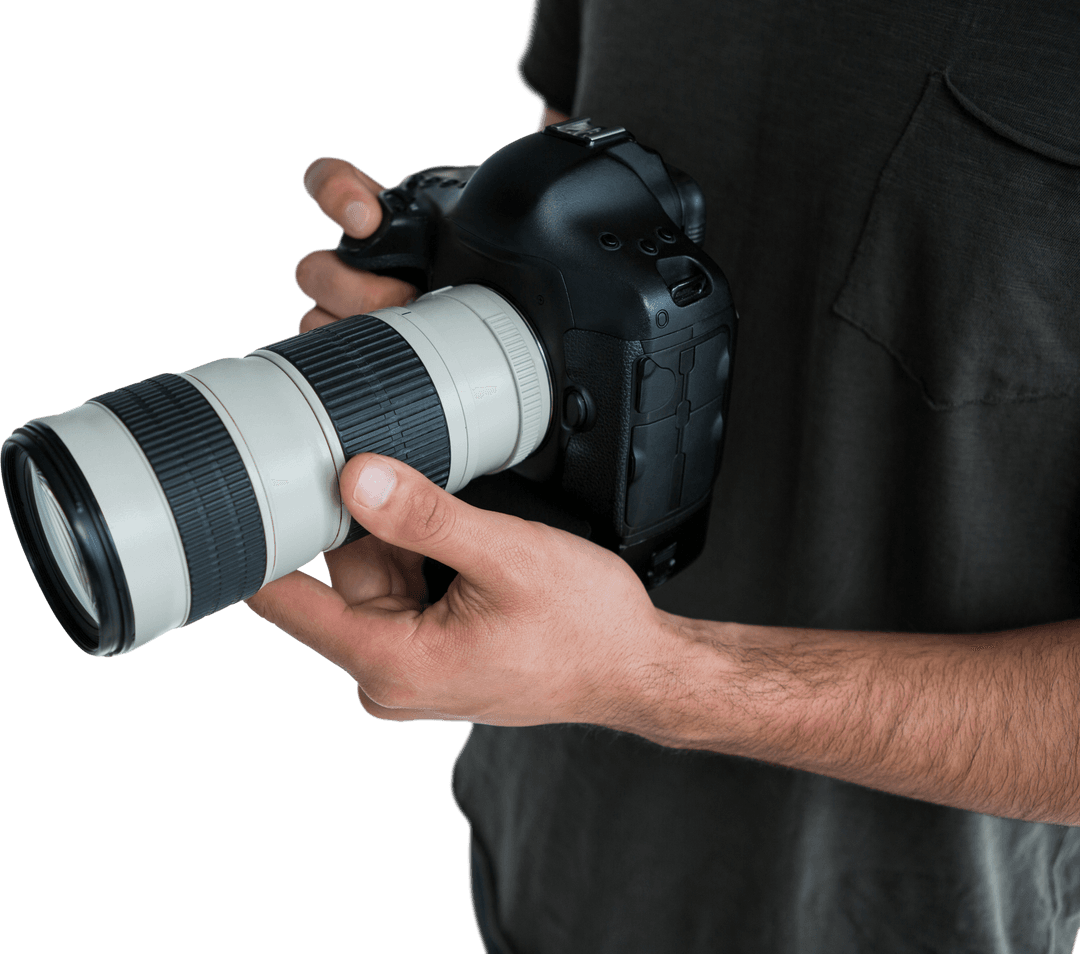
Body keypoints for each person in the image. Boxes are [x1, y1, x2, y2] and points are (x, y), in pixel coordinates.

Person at [246, 0, 1080, 950]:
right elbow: (577, 165)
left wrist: (649, 679)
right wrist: (440, 294)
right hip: (532, 855)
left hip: (895, 918)